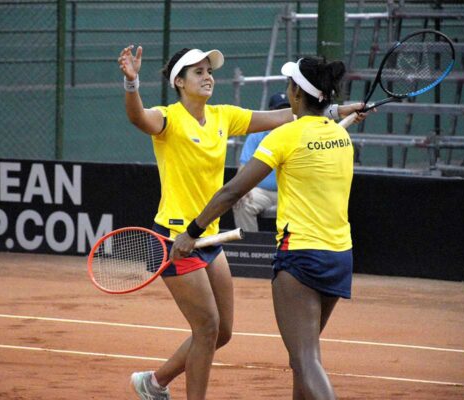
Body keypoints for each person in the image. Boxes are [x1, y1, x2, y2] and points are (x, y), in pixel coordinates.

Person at [118, 44, 365, 400]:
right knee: (206, 327)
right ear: (179, 82)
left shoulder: (223, 116)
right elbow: (138, 117)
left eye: (209, 71)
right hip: (178, 237)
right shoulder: (167, 118)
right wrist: (131, 83)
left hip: (208, 236)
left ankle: (153, 383)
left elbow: (287, 117)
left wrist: (340, 110)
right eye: (198, 72)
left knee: (223, 332)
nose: (208, 77)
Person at [232, 92, 289, 232]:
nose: (282, 114)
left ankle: (298, 250)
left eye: (287, 109)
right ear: (270, 112)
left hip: (289, 191)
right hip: (261, 192)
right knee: (242, 202)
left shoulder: (297, 134)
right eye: (278, 110)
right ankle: (251, 249)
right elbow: (244, 167)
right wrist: (242, 190)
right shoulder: (257, 135)